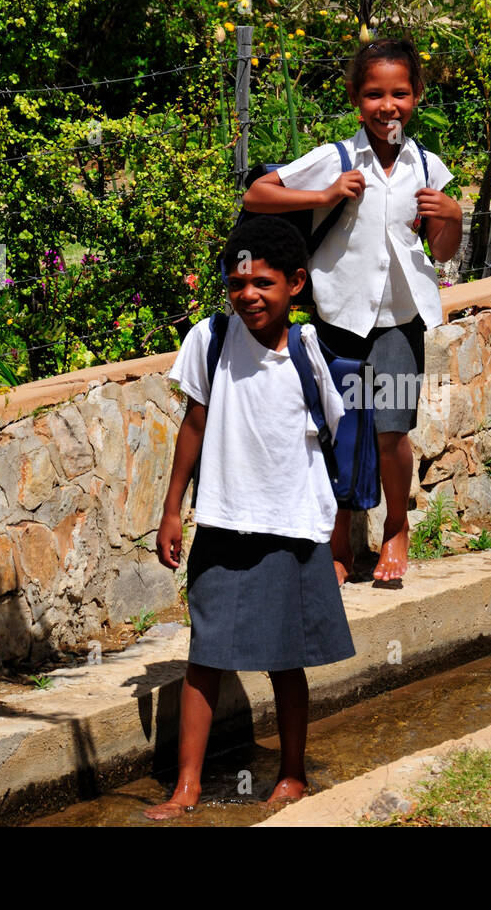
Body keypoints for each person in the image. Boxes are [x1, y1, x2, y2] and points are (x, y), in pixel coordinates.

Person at [146, 217, 354, 818]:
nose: (248, 296)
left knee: (286, 658)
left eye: (263, 283)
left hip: (292, 526)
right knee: (206, 653)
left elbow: (331, 441)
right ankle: (186, 786)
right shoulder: (209, 342)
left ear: (295, 283)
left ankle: (292, 774)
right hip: (222, 519)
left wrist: (334, 530)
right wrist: (172, 509)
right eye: (237, 284)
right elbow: (194, 425)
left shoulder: (312, 354)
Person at [241, 37, 463, 586]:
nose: (388, 106)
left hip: (397, 323)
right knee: (338, 430)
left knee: (390, 431)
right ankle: (338, 539)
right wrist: (322, 195)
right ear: (355, 97)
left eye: (400, 94)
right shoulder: (336, 159)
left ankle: (395, 527)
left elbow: (442, 251)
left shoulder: (428, 167)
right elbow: (258, 196)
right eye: (374, 94)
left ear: (416, 96)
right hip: (339, 320)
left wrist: (453, 214)